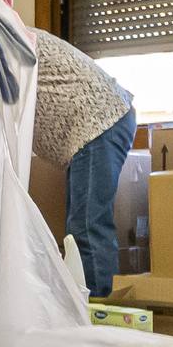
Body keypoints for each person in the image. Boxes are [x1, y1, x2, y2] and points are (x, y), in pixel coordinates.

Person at [32, 31, 137, 295]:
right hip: (96, 123)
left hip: (97, 121)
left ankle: (96, 314)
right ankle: (91, 309)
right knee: (82, 227)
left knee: (87, 227)